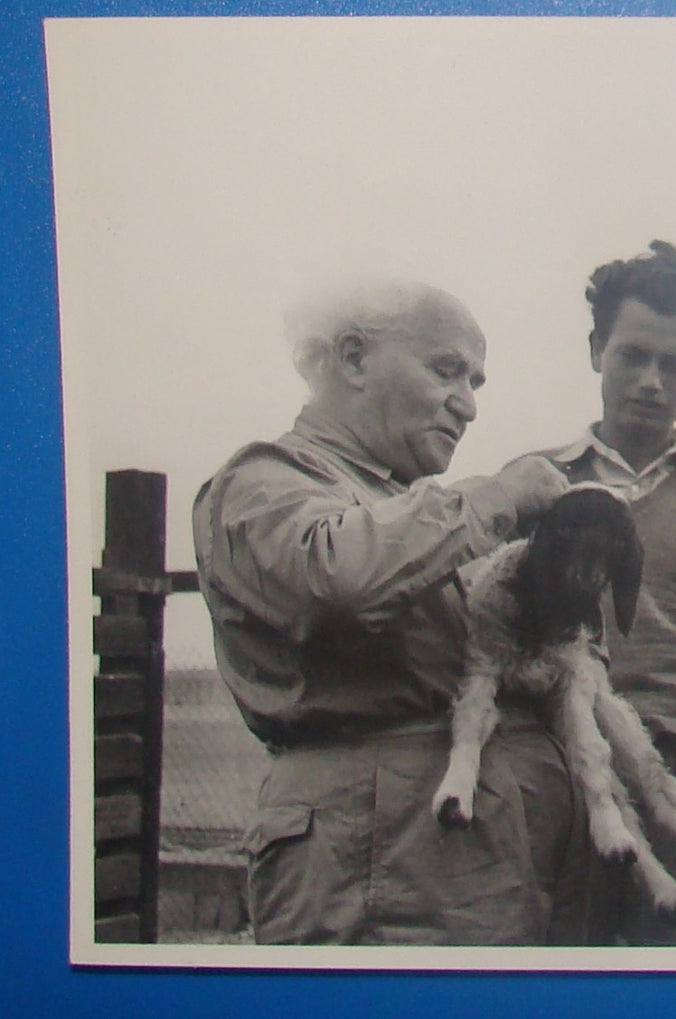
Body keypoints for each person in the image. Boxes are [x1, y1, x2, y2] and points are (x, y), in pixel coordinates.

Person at [192, 279, 587, 945]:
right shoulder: (264, 481)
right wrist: (499, 497)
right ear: (351, 358)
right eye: (446, 370)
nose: (466, 405)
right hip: (380, 855)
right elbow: (335, 578)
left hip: (461, 853)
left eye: (476, 383)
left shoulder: (414, 508)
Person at [534, 240, 676, 944]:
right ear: (595, 349)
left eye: (674, 364)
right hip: (564, 757)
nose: (649, 381)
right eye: (631, 356)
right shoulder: (534, 484)